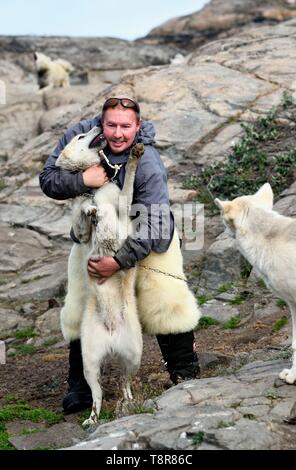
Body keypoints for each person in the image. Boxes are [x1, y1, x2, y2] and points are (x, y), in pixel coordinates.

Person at [39, 96, 200, 413]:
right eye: (111, 125)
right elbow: (47, 179)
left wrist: (119, 262)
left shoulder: (148, 162)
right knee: (81, 302)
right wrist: (81, 180)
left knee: (166, 300)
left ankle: (185, 372)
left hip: (146, 237)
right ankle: (81, 386)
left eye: (125, 126)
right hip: (93, 237)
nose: (117, 133)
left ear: (137, 126)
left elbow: (152, 221)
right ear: (101, 123)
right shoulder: (81, 137)